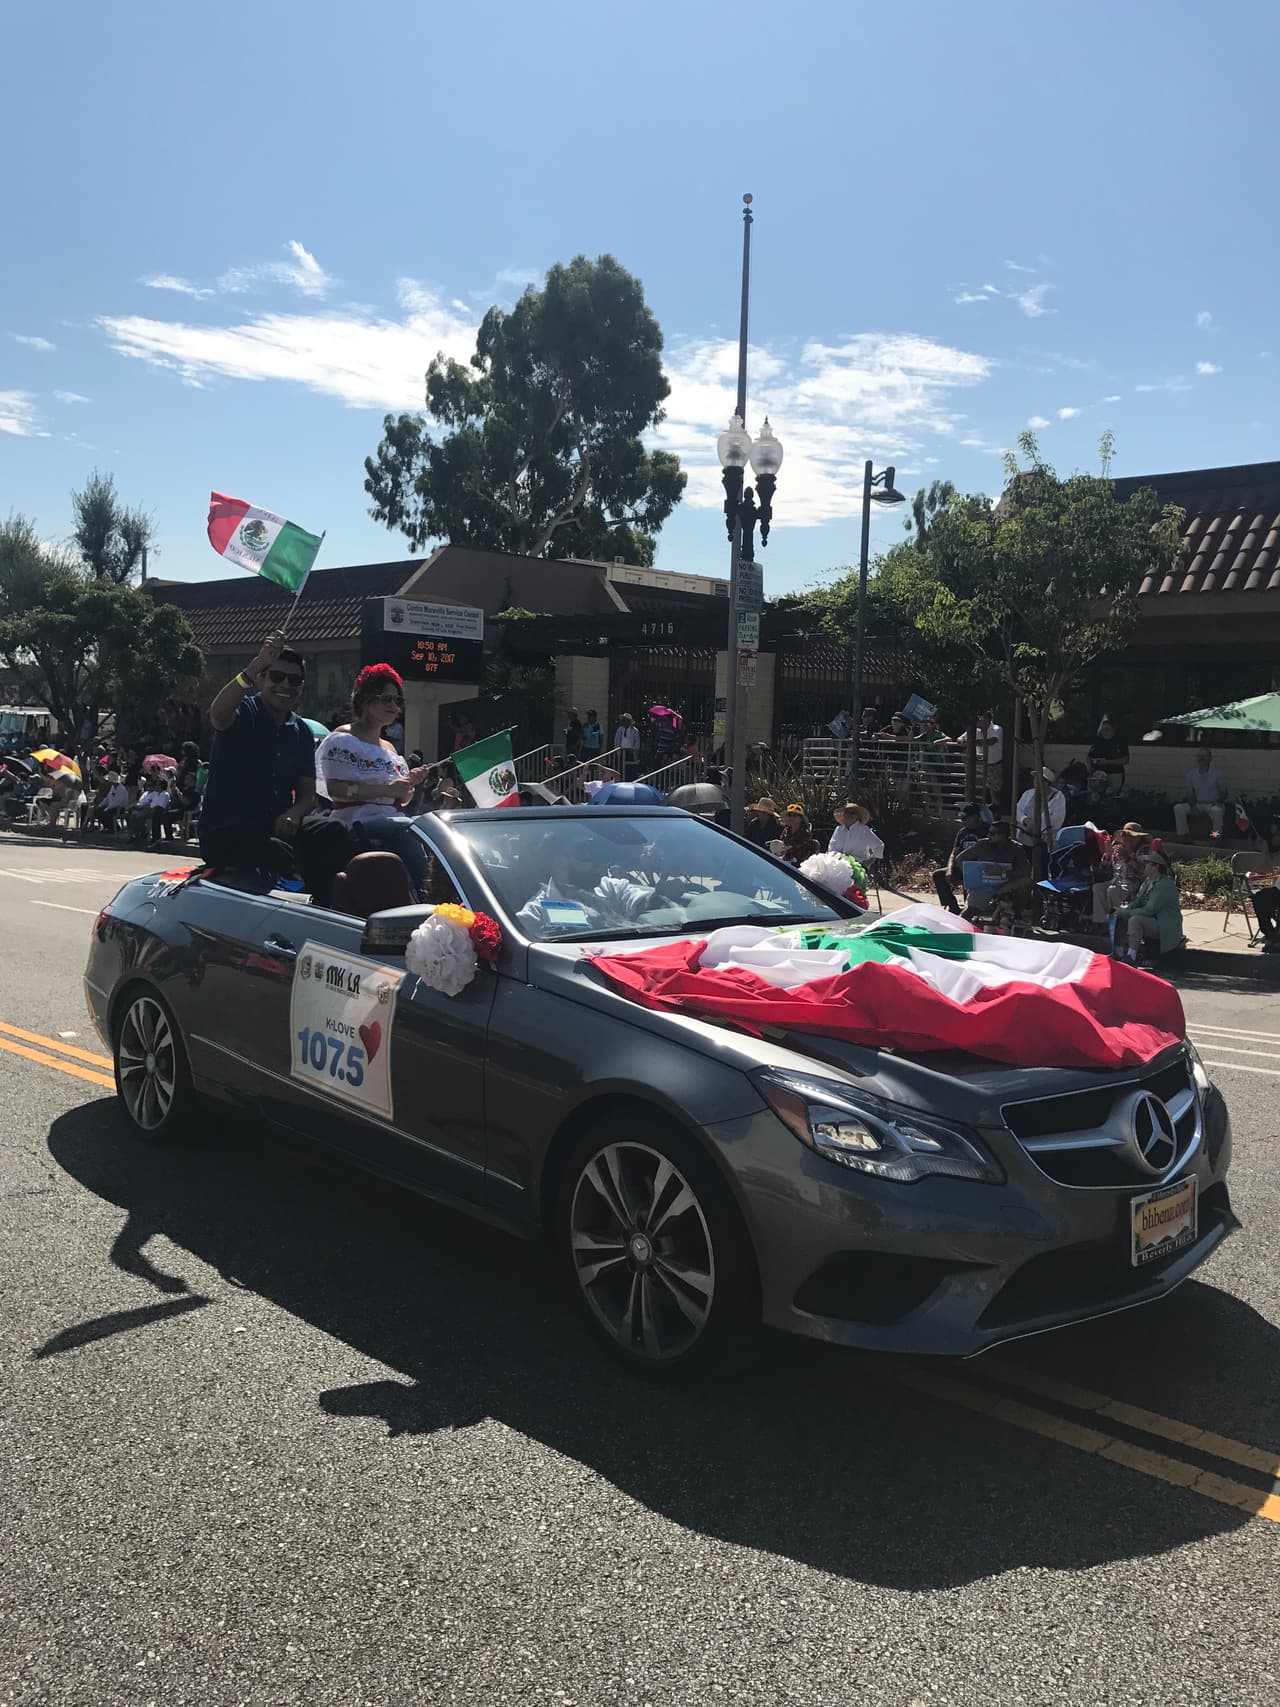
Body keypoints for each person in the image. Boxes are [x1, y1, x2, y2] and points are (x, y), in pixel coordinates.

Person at [199, 631, 324, 888]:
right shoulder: (243, 712)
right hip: (228, 832)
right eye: (277, 677)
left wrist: (295, 813)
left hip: (276, 829)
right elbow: (217, 714)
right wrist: (255, 665)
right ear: (260, 679)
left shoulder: (301, 732)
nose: (286, 685)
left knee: (332, 832)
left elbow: (307, 794)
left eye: (294, 680)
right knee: (278, 852)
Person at [314, 664, 433, 899]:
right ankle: (428, 895)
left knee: (430, 828)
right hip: (357, 822)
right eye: (386, 699)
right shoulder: (343, 739)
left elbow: (402, 799)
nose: (394, 706)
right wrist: (389, 789)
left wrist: (409, 783)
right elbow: (335, 789)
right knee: (409, 828)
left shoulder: (390, 749)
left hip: (392, 820)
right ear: (365, 699)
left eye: (397, 701)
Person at [1116, 848, 1182, 963]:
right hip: (1152, 920)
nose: (1144, 865)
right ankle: (1119, 952)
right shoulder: (1147, 882)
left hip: (1165, 925)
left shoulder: (1164, 884)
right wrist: (1123, 910)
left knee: (1135, 920)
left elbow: (1150, 910)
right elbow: (1137, 902)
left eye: (1147, 863)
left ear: (1156, 866)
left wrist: (1127, 912)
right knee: (1120, 916)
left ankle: (1131, 956)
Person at [959, 819, 1032, 922]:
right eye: (988, 833)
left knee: (1026, 882)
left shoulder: (1016, 848)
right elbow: (960, 858)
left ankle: (1017, 914)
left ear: (1003, 836)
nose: (988, 835)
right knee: (969, 911)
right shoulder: (982, 844)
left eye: (992, 834)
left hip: (1005, 884)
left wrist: (1003, 872)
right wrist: (971, 877)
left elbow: (1025, 870)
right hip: (984, 885)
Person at [932, 801, 989, 914]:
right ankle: (953, 907)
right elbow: (954, 852)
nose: (963, 821)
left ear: (975, 817)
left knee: (969, 882)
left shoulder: (987, 831)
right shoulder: (962, 832)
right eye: (962, 818)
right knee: (938, 875)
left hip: (979, 869)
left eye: (966, 818)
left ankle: (971, 910)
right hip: (961, 866)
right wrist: (950, 869)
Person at [1091, 821, 1150, 924]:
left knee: (1113, 890)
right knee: (1098, 888)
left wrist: (1127, 857)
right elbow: (1104, 869)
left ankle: (1119, 921)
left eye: (1132, 836)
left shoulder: (1144, 850)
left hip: (1135, 882)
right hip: (1117, 880)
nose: (1128, 839)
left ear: (1139, 838)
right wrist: (1108, 855)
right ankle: (1101, 922)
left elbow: (1141, 870)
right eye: (1126, 835)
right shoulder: (1118, 847)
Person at [1174, 747, 1228, 840]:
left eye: (1205, 756)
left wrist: (1218, 802)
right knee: (1178, 808)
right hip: (1198, 804)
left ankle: (1216, 837)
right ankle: (1183, 835)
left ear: (1210, 758)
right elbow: (1190, 793)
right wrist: (1193, 807)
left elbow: (1224, 793)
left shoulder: (1217, 774)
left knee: (1217, 811)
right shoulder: (1191, 774)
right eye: (1200, 756)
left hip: (1213, 804)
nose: (1202, 758)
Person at [1015, 767, 1067, 848]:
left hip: (1044, 840)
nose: (1035, 781)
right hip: (1023, 837)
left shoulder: (1058, 797)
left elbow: (1057, 819)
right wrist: (1025, 820)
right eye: (1035, 779)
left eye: (1039, 779)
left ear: (1047, 782)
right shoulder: (1028, 793)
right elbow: (1018, 810)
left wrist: (1035, 826)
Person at [1088, 718, 1129, 793]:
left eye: (1107, 729)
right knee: (1096, 794)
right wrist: (1090, 767)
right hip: (1098, 774)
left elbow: (1125, 760)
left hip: (1114, 773)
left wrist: (1107, 761)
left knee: (1112, 794)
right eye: (1103, 729)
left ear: (1113, 730)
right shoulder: (1098, 742)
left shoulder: (1120, 742)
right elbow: (1089, 756)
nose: (1104, 732)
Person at [614, 712, 641, 778]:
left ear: (629, 721)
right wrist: (617, 750)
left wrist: (634, 750)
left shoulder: (634, 731)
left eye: (625, 720)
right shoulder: (620, 730)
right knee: (620, 768)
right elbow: (616, 740)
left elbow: (637, 742)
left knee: (629, 770)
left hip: (630, 752)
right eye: (623, 720)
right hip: (621, 752)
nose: (623, 722)